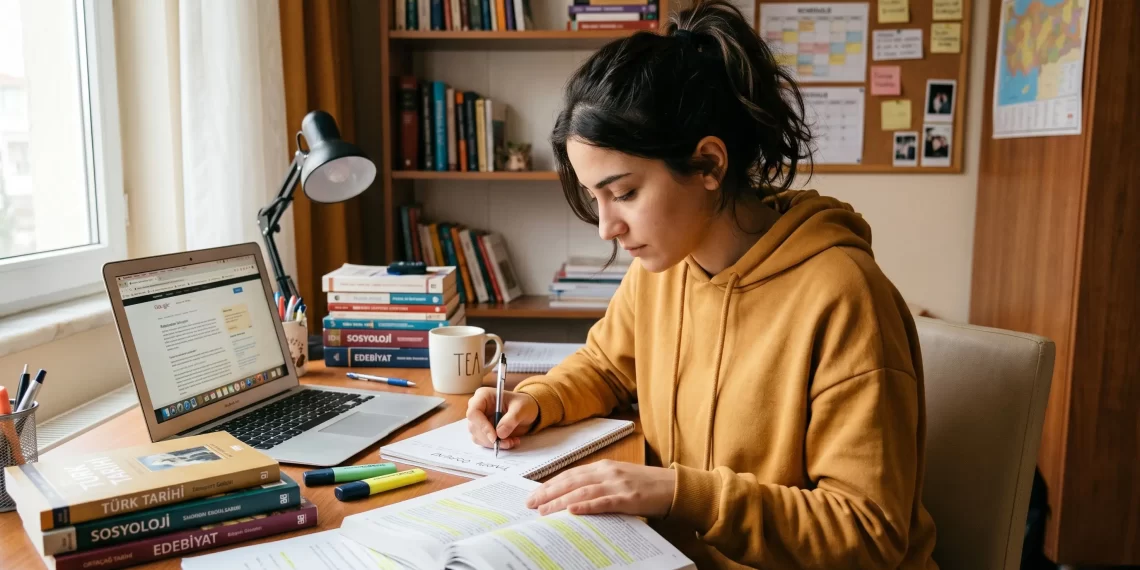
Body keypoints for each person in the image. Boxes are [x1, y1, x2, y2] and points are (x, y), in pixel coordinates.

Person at [465, 0, 938, 567]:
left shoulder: (844, 296)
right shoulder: (662, 270)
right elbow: (606, 365)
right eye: (596, 199)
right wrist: (535, 402)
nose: (607, 229)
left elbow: (868, 533)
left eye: (625, 193)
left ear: (709, 165)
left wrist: (676, 492)